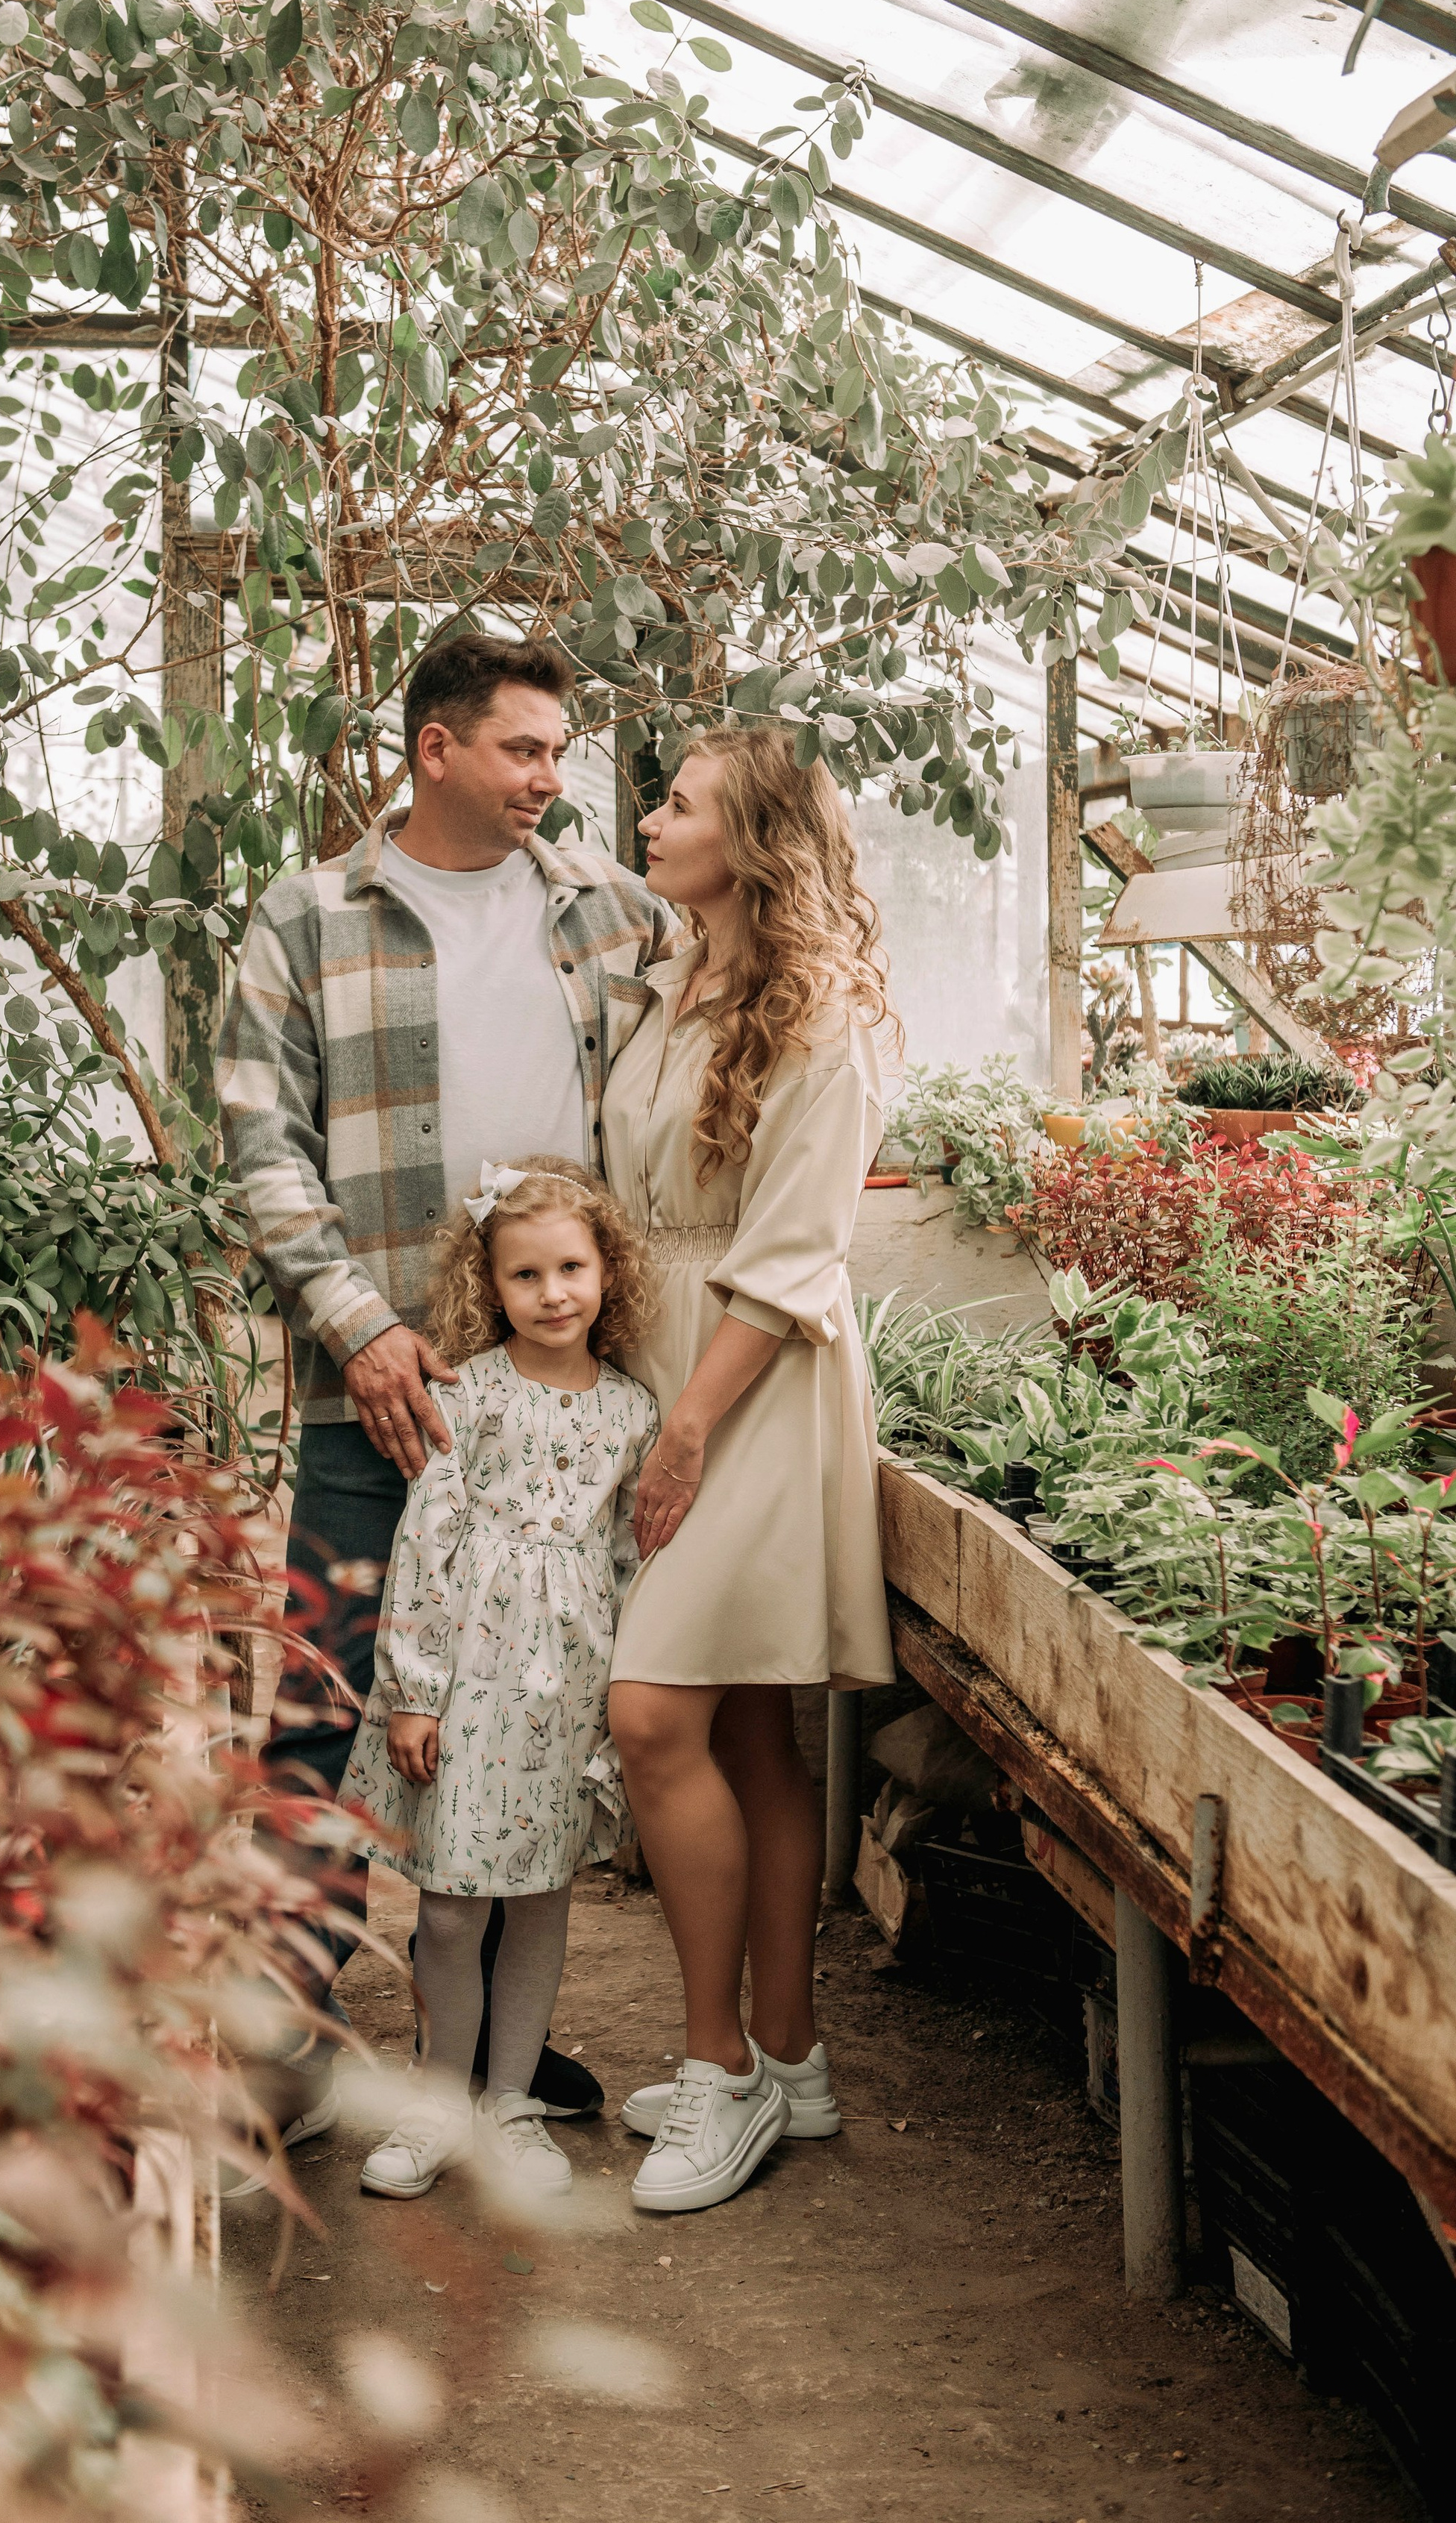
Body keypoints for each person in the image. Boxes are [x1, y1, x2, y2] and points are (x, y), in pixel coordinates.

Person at [217, 629, 674, 2151]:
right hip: (381, 1391)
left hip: (553, 1407)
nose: (551, 780)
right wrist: (358, 1325)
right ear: (434, 749)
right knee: (331, 1698)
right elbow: (260, 1149)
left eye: (557, 754)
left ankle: (490, 2047)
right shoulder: (305, 919)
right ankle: (291, 2042)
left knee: (530, 1707)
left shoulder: (612, 915)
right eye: (523, 751)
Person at [600, 721, 897, 2215]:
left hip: (753, 1389)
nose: (650, 819)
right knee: (746, 1739)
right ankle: (790, 2057)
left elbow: (790, 1257)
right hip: (668, 1374)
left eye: (679, 801)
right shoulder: (670, 984)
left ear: (758, 837)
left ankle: (713, 2072)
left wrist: (685, 1427)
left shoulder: (821, 1012)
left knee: (650, 1711)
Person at [338, 1158, 659, 2201]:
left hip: (568, 1685)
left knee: (541, 1895)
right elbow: (426, 1541)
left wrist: (622, 1699)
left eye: (572, 1266)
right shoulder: (464, 1395)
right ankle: (437, 2100)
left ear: (607, 1269)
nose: (554, 1292)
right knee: (449, 1904)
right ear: (492, 1285)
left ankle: (512, 2099)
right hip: (470, 1679)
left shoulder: (631, 1413)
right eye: (527, 1275)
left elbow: (626, 1559)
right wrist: (416, 1687)